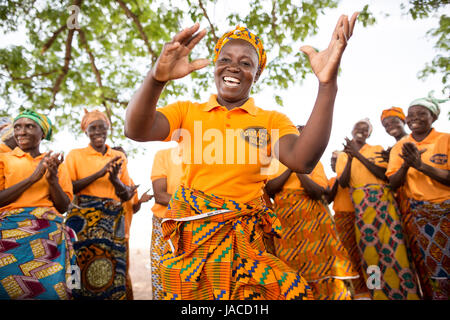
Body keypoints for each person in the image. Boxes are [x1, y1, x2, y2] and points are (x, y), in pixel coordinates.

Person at [124, 14, 358, 300]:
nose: (233, 66)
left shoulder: (271, 120)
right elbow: (136, 129)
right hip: (193, 246)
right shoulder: (187, 111)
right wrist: (156, 78)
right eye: (225, 59)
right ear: (215, 66)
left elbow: (303, 159)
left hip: (247, 244)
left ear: (256, 74)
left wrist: (327, 84)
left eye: (246, 63)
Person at [265, 127, 359, 300]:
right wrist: (290, 166)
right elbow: (270, 189)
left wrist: (299, 167)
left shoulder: (313, 163)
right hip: (286, 221)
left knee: (325, 261)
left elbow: (317, 192)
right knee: (290, 264)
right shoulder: (272, 162)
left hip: (313, 221)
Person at [336, 118, 420, 300]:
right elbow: (343, 182)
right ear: (351, 130)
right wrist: (350, 157)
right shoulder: (343, 156)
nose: (361, 130)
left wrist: (358, 155)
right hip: (362, 209)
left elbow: (384, 175)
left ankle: (408, 294)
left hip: (385, 205)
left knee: (396, 248)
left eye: (365, 129)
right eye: (358, 127)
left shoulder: (377, 149)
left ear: (369, 133)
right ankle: (378, 294)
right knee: (370, 255)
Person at [0, 110, 77, 299]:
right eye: (17, 127)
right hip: (10, 237)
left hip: (49, 238)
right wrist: (34, 177)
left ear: (42, 133)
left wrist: (52, 180)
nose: (21, 132)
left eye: (29, 126)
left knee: (51, 290)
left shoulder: (56, 163)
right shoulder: (4, 160)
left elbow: (63, 207)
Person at [64, 109, 135, 300]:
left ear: (108, 129)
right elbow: (68, 187)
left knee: (112, 267)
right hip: (82, 221)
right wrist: (99, 173)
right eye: (92, 128)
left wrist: (114, 180)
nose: (98, 132)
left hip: (112, 222)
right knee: (78, 264)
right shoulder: (75, 155)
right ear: (85, 132)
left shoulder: (118, 157)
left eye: (102, 128)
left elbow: (127, 194)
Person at [387, 93, 449, 300]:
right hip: (423, 217)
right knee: (438, 270)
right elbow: (393, 183)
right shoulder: (399, 147)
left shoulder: (445, 140)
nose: (414, 118)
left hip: (448, 210)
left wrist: (421, 166)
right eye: (411, 114)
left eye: (421, 113)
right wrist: (407, 163)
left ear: (434, 117)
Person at [111, 145, 153, 299]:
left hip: (123, 235)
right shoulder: (104, 180)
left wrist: (140, 201)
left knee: (122, 271)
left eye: (123, 159)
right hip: (104, 234)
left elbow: (133, 208)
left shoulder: (130, 182)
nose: (121, 163)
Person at [327, 150, 369, 299]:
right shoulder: (332, 180)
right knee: (349, 257)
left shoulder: (356, 178)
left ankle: (374, 288)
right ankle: (358, 293)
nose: (334, 163)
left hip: (362, 217)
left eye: (337, 160)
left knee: (367, 256)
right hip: (342, 221)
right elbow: (327, 198)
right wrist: (339, 176)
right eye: (332, 161)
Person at [150, 146, 183, 300]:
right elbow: (160, 196)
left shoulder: (213, 156)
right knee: (163, 276)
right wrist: (198, 204)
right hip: (165, 226)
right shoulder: (163, 155)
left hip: (202, 225)